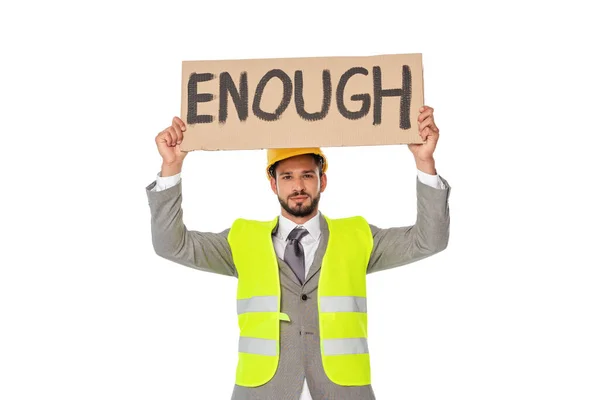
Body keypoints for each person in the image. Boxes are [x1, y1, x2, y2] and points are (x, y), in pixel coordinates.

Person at [146, 105, 450, 400]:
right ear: (273, 184)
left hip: (343, 391)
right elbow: (171, 244)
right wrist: (171, 167)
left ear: (323, 180)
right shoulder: (241, 239)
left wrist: (424, 162)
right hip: (263, 391)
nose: (298, 186)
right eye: (287, 177)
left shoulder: (358, 236)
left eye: (307, 175)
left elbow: (429, 240)